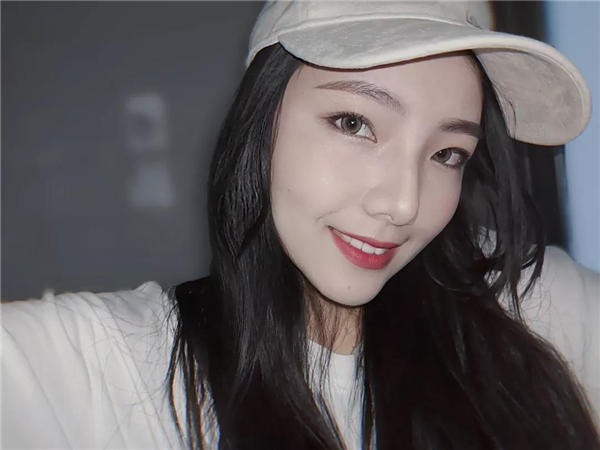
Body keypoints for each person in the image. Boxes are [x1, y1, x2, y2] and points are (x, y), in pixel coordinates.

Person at [2, 1, 599, 449]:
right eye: (354, 123)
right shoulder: (103, 368)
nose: (403, 204)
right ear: (261, 120)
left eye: (448, 154)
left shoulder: (533, 304)